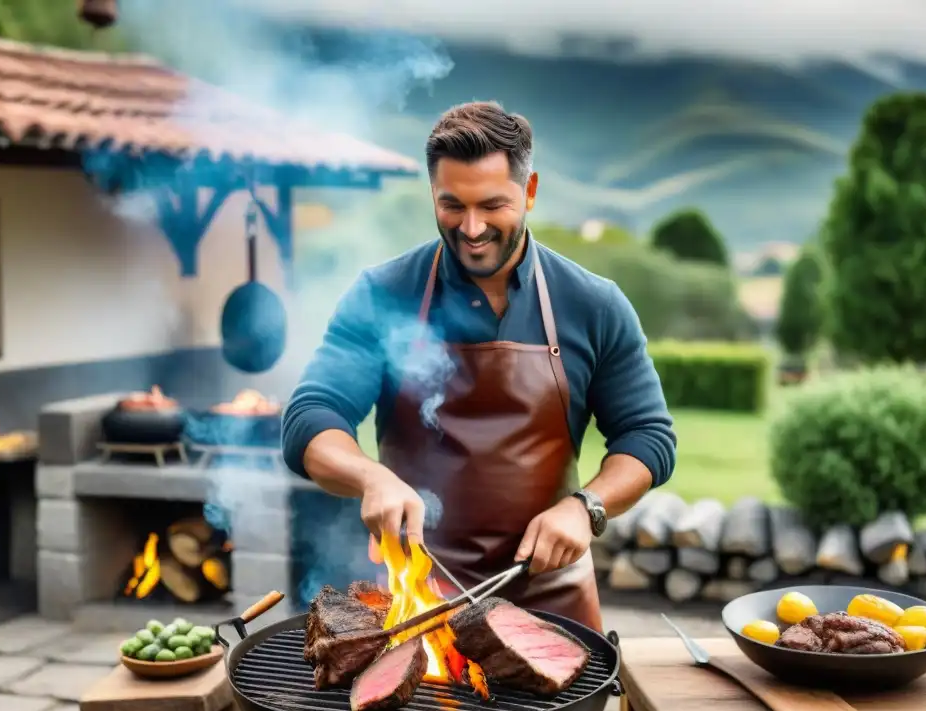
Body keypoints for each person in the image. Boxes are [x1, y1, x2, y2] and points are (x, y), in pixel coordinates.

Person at [282, 101, 676, 633]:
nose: (471, 228)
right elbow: (310, 417)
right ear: (432, 195)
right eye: (452, 206)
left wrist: (587, 507)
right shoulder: (382, 294)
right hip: (412, 604)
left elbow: (647, 436)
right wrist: (369, 476)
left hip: (550, 605)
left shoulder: (593, 304)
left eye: (493, 205)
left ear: (530, 191)